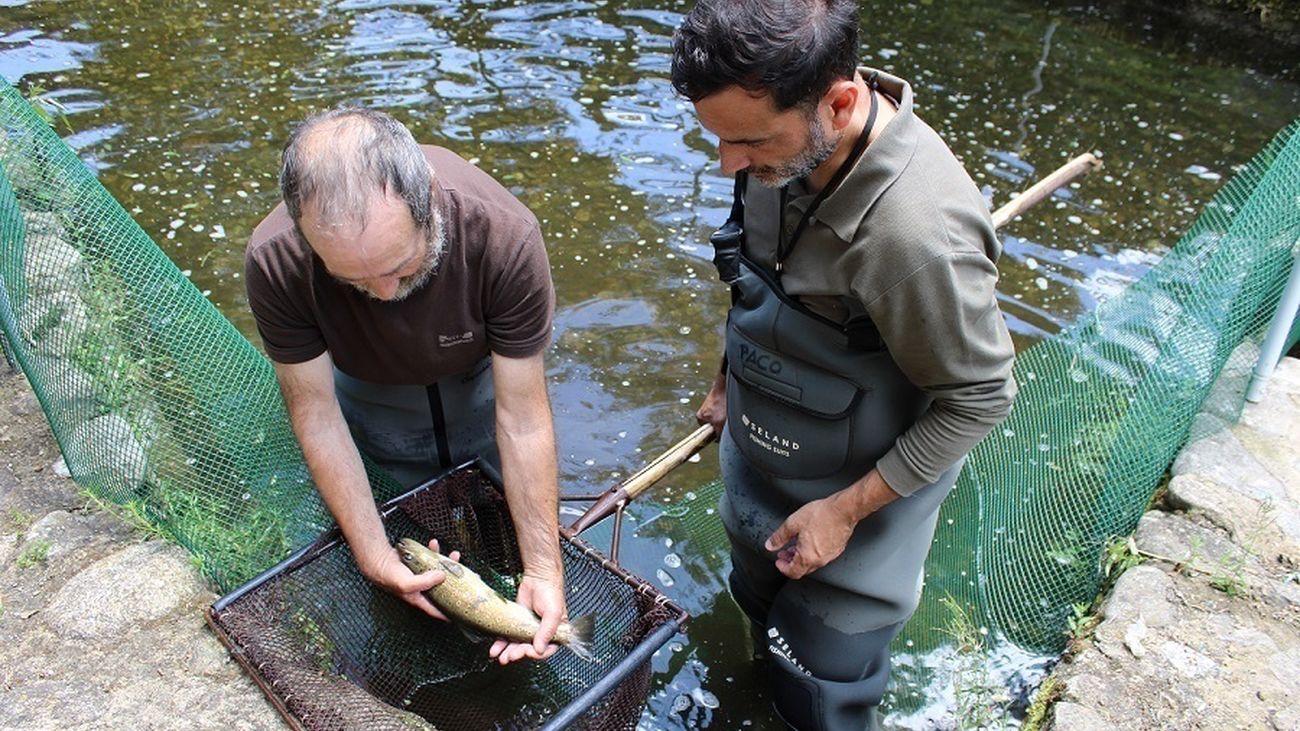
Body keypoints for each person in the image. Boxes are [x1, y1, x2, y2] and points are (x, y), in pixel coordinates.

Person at [672, 1, 1018, 728]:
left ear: (839, 102)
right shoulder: (775, 151)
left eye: (748, 142)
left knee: (819, 677)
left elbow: (982, 397)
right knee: (757, 617)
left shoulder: (917, 238)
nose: (728, 163)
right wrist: (724, 381)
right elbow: (749, 276)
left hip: (859, 496)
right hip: (765, 457)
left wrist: (845, 511)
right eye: (720, 138)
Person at [244, 107, 565, 666]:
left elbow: (523, 418)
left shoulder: (504, 237)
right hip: (367, 393)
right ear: (304, 234)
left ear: (428, 204)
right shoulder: (276, 262)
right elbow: (317, 413)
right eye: (353, 279)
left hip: (478, 384)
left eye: (401, 264)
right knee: (394, 555)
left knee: (508, 535)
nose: (386, 292)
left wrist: (542, 565)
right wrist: (372, 555)